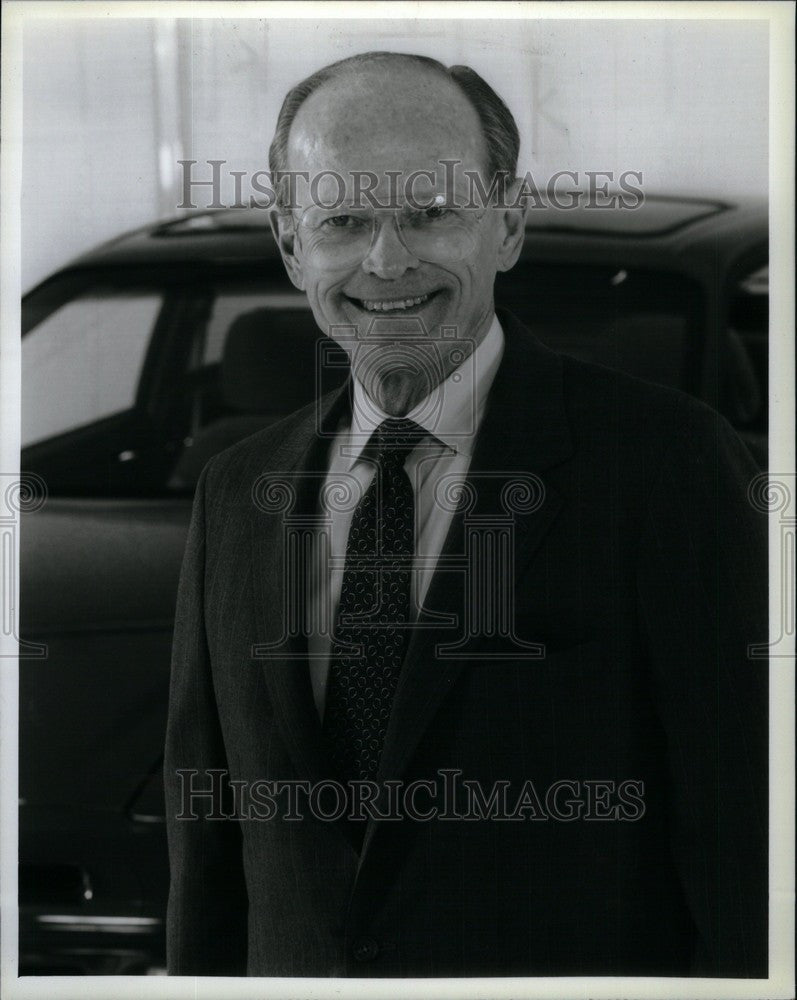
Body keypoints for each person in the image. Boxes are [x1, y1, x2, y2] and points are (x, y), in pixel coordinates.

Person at [164, 52, 767, 978]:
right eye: (345, 219)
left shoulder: (667, 464)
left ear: (509, 222)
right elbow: (210, 864)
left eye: (429, 213)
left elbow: (744, 841)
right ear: (292, 246)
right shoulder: (235, 492)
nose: (387, 260)